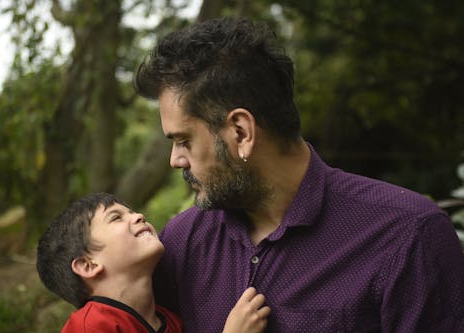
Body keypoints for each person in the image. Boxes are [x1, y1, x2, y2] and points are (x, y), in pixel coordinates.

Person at [134, 16, 464, 332]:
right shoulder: (182, 243)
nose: (176, 160)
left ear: (241, 132)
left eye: (183, 141)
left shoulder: (408, 237)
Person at [36, 192, 271, 333]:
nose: (138, 216)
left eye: (131, 211)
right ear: (88, 265)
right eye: (116, 217)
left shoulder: (171, 322)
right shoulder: (91, 327)